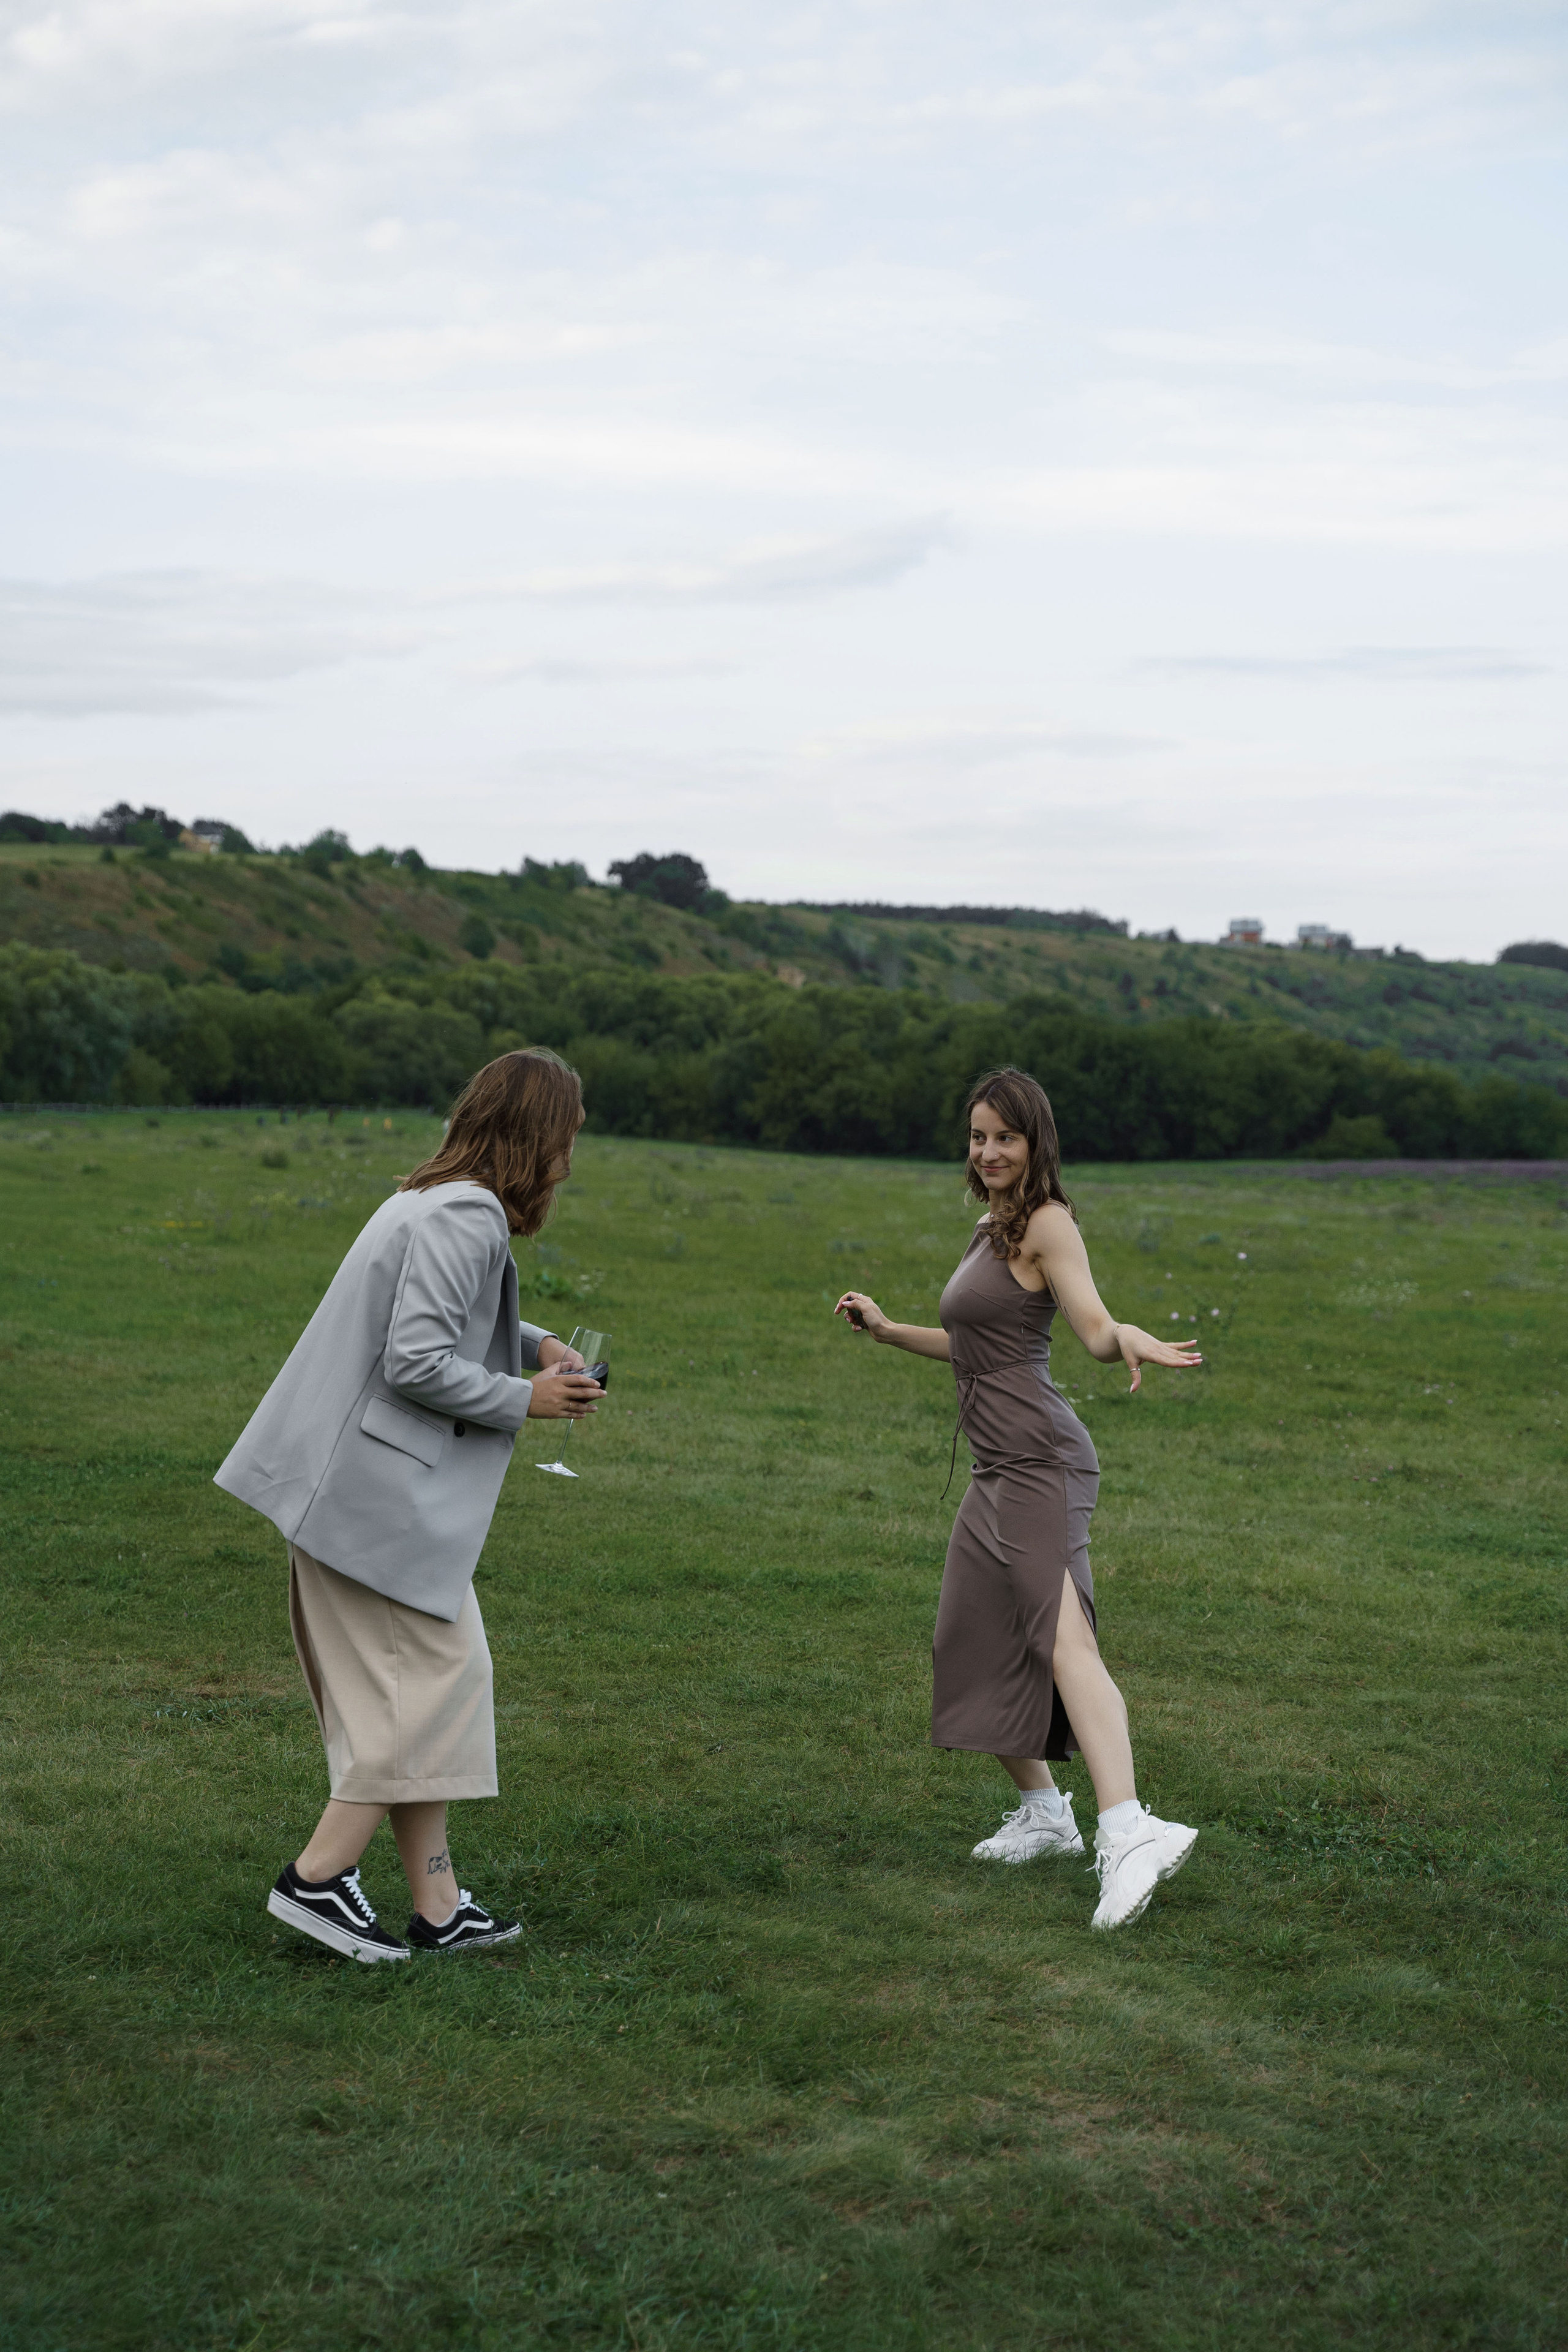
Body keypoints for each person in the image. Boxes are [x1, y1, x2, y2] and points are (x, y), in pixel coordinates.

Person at [214, 1050, 605, 1963]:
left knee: (422, 1692)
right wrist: (526, 1397)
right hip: (374, 1505)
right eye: (568, 1141)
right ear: (536, 1136)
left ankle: (438, 1907)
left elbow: (438, 1317)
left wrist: (538, 1340)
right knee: (435, 1693)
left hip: (353, 1499)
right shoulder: (468, 1215)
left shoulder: (427, 1198)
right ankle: (318, 1879)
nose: (570, 1163)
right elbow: (416, 1360)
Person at [835, 1066, 1203, 1931]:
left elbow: (1093, 1328)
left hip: (1041, 1462)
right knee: (964, 1637)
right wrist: (889, 1333)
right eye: (978, 1136)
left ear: (1035, 1141)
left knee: (1063, 1641)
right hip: (997, 1469)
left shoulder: (1047, 1224)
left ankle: (1130, 1830)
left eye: (1005, 1135)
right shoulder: (988, 1227)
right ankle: (1046, 1815)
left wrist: (1128, 1339)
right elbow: (975, 1344)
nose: (989, 1150)